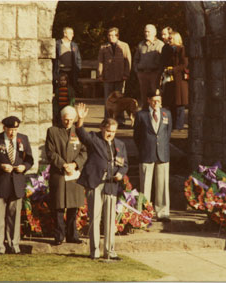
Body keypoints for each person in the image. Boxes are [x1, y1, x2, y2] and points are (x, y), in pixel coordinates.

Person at [75, 103, 128, 260]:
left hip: (111, 184)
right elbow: (81, 134)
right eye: (107, 131)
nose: (110, 134)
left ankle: (110, 251)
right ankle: (95, 251)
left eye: (113, 132)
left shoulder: (120, 145)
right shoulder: (94, 139)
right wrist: (80, 119)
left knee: (110, 219)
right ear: (102, 129)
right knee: (95, 218)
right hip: (95, 183)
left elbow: (124, 165)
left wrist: (120, 174)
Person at [0, 116, 34, 254]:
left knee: (15, 216)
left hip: (16, 183)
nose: (13, 133)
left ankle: (14, 245)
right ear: (4, 128)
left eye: (15, 130)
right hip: (0, 183)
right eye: (10, 130)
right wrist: (0, 166)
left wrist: (24, 166)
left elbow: (30, 159)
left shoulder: (23, 139)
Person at [45, 106, 87, 245]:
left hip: (74, 174)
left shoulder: (79, 132)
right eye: (65, 119)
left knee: (73, 207)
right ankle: (59, 235)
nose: (68, 122)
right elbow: (50, 152)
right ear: (61, 118)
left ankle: (72, 235)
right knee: (58, 206)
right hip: (59, 173)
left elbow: (85, 151)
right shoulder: (53, 131)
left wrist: (75, 164)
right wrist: (63, 164)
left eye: (70, 119)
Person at [133, 91, 172, 222]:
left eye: (159, 101)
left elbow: (167, 133)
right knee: (145, 184)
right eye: (154, 101)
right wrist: (144, 148)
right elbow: (136, 136)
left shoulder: (167, 114)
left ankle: (163, 212)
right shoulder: (141, 115)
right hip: (146, 153)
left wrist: (161, 146)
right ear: (149, 100)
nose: (156, 104)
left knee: (163, 184)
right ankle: (144, 213)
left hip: (162, 153)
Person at [98, 27, 131, 124]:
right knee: (108, 99)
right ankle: (107, 120)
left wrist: (126, 74)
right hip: (108, 77)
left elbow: (128, 61)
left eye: (113, 35)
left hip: (120, 76)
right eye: (109, 35)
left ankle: (120, 120)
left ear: (117, 36)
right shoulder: (103, 47)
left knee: (120, 100)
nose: (110, 37)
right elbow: (100, 61)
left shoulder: (124, 46)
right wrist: (100, 74)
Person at [133, 24, 164, 109]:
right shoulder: (141, 45)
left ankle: (155, 116)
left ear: (154, 33)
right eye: (145, 31)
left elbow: (163, 61)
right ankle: (145, 117)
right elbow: (136, 59)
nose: (146, 33)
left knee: (155, 95)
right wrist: (137, 70)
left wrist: (160, 74)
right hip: (142, 74)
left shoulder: (160, 44)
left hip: (155, 74)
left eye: (148, 31)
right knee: (144, 96)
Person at [168, 31, 189, 131]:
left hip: (180, 80)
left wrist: (174, 69)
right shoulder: (170, 50)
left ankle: (179, 126)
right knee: (172, 103)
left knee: (180, 104)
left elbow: (184, 64)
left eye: (171, 38)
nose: (169, 40)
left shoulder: (182, 49)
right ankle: (173, 125)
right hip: (172, 80)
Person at [53, 27, 82, 92]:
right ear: (65, 34)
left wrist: (78, 70)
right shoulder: (57, 44)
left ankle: (71, 102)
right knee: (60, 91)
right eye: (71, 33)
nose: (73, 35)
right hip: (60, 71)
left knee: (71, 90)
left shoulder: (74, 45)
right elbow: (54, 59)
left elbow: (78, 58)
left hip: (72, 72)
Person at [160, 26, 174, 110]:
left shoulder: (174, 47)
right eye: (161, 34)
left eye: (164, 34)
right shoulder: (164, 47)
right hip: (165, 75)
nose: (162, 37)